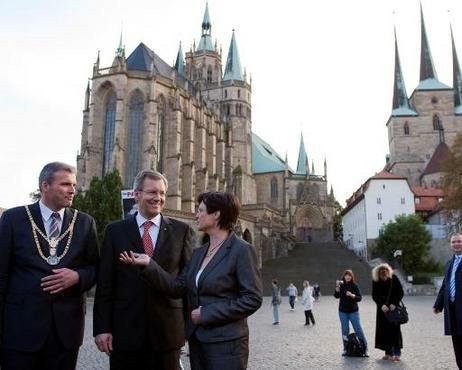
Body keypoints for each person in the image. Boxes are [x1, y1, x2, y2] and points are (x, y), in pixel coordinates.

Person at [119, 191, 263, 370]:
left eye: (201, 210)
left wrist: (207, 313)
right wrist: (150, 264)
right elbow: (178, 287)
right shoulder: (199, 253)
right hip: (198, 341)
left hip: (226, 344)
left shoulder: (241, 250)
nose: (196, 214)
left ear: (217, 214)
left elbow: (253, 299)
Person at [0, 162, 99, 370]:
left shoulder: (85, 222)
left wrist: (78, 277)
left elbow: (95, 268)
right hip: (20, 329)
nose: (73, 190)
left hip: (65, 333)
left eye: (73, 184)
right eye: (65, 184)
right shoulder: (13, 218)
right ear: (45, 186)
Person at [93, 170, 193, 370]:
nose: (158, 198)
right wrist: (102, 328)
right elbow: (105, 284)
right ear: (136, 194)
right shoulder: (115, 231)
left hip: (168, 333)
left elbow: (186, 284)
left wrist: (189, 330)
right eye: (152, 192)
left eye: (162, 193)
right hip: (125, 333)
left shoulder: (181, 231)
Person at [433, 233, 462, 369]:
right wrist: (438, 304)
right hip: (452, 309)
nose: (456, 244)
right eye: (453, 242)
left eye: (459, 241)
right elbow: (445, 285)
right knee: (456, 342)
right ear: (451, 245)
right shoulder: (449, 264)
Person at [372, 263, 404, 362]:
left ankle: (397, 354)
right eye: (381, 272)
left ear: (388, 271)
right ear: (378, 273)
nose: (383, 274)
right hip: (382, 310)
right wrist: (381, 305)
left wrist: (394, 303)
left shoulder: (393, 278)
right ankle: (388, 353)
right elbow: (374, 295)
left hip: (393, 309)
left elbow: (400, 292)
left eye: (385, 271)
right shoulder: (376, 280)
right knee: (384, 331)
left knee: (395, 331)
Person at [334, 269, 367, 355]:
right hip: (342, 312)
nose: (348, 277)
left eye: (349, 275)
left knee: (358, 330)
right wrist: (337, 288)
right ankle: (346, 349)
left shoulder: (355, 286)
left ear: (352, 277)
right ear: (344, 276)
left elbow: (359, 298)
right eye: (346, 275)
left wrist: (352, 295)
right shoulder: (341, 286)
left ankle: (365, 349)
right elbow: (336, 296)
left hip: (353, 312)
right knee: (345, 331)